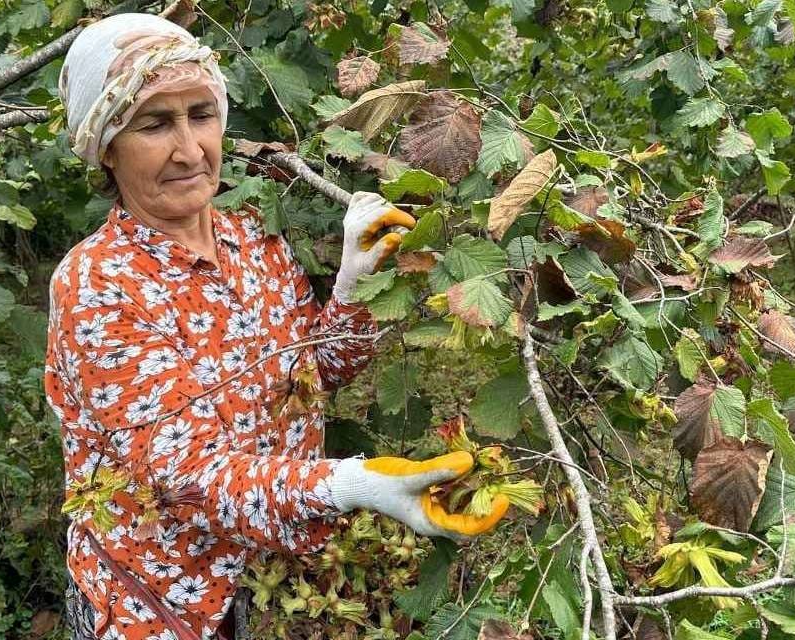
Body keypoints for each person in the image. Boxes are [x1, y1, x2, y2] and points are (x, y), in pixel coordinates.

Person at [44, 13, 509, 640]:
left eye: (200, 115)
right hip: (159, 603)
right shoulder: (100, 283)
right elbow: (189, 474)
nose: (189, 149)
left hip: (275, 588)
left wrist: (355, 289)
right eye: (155, 123)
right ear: (105, 145)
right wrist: (352, 483)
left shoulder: (252, 236)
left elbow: (312, 378)